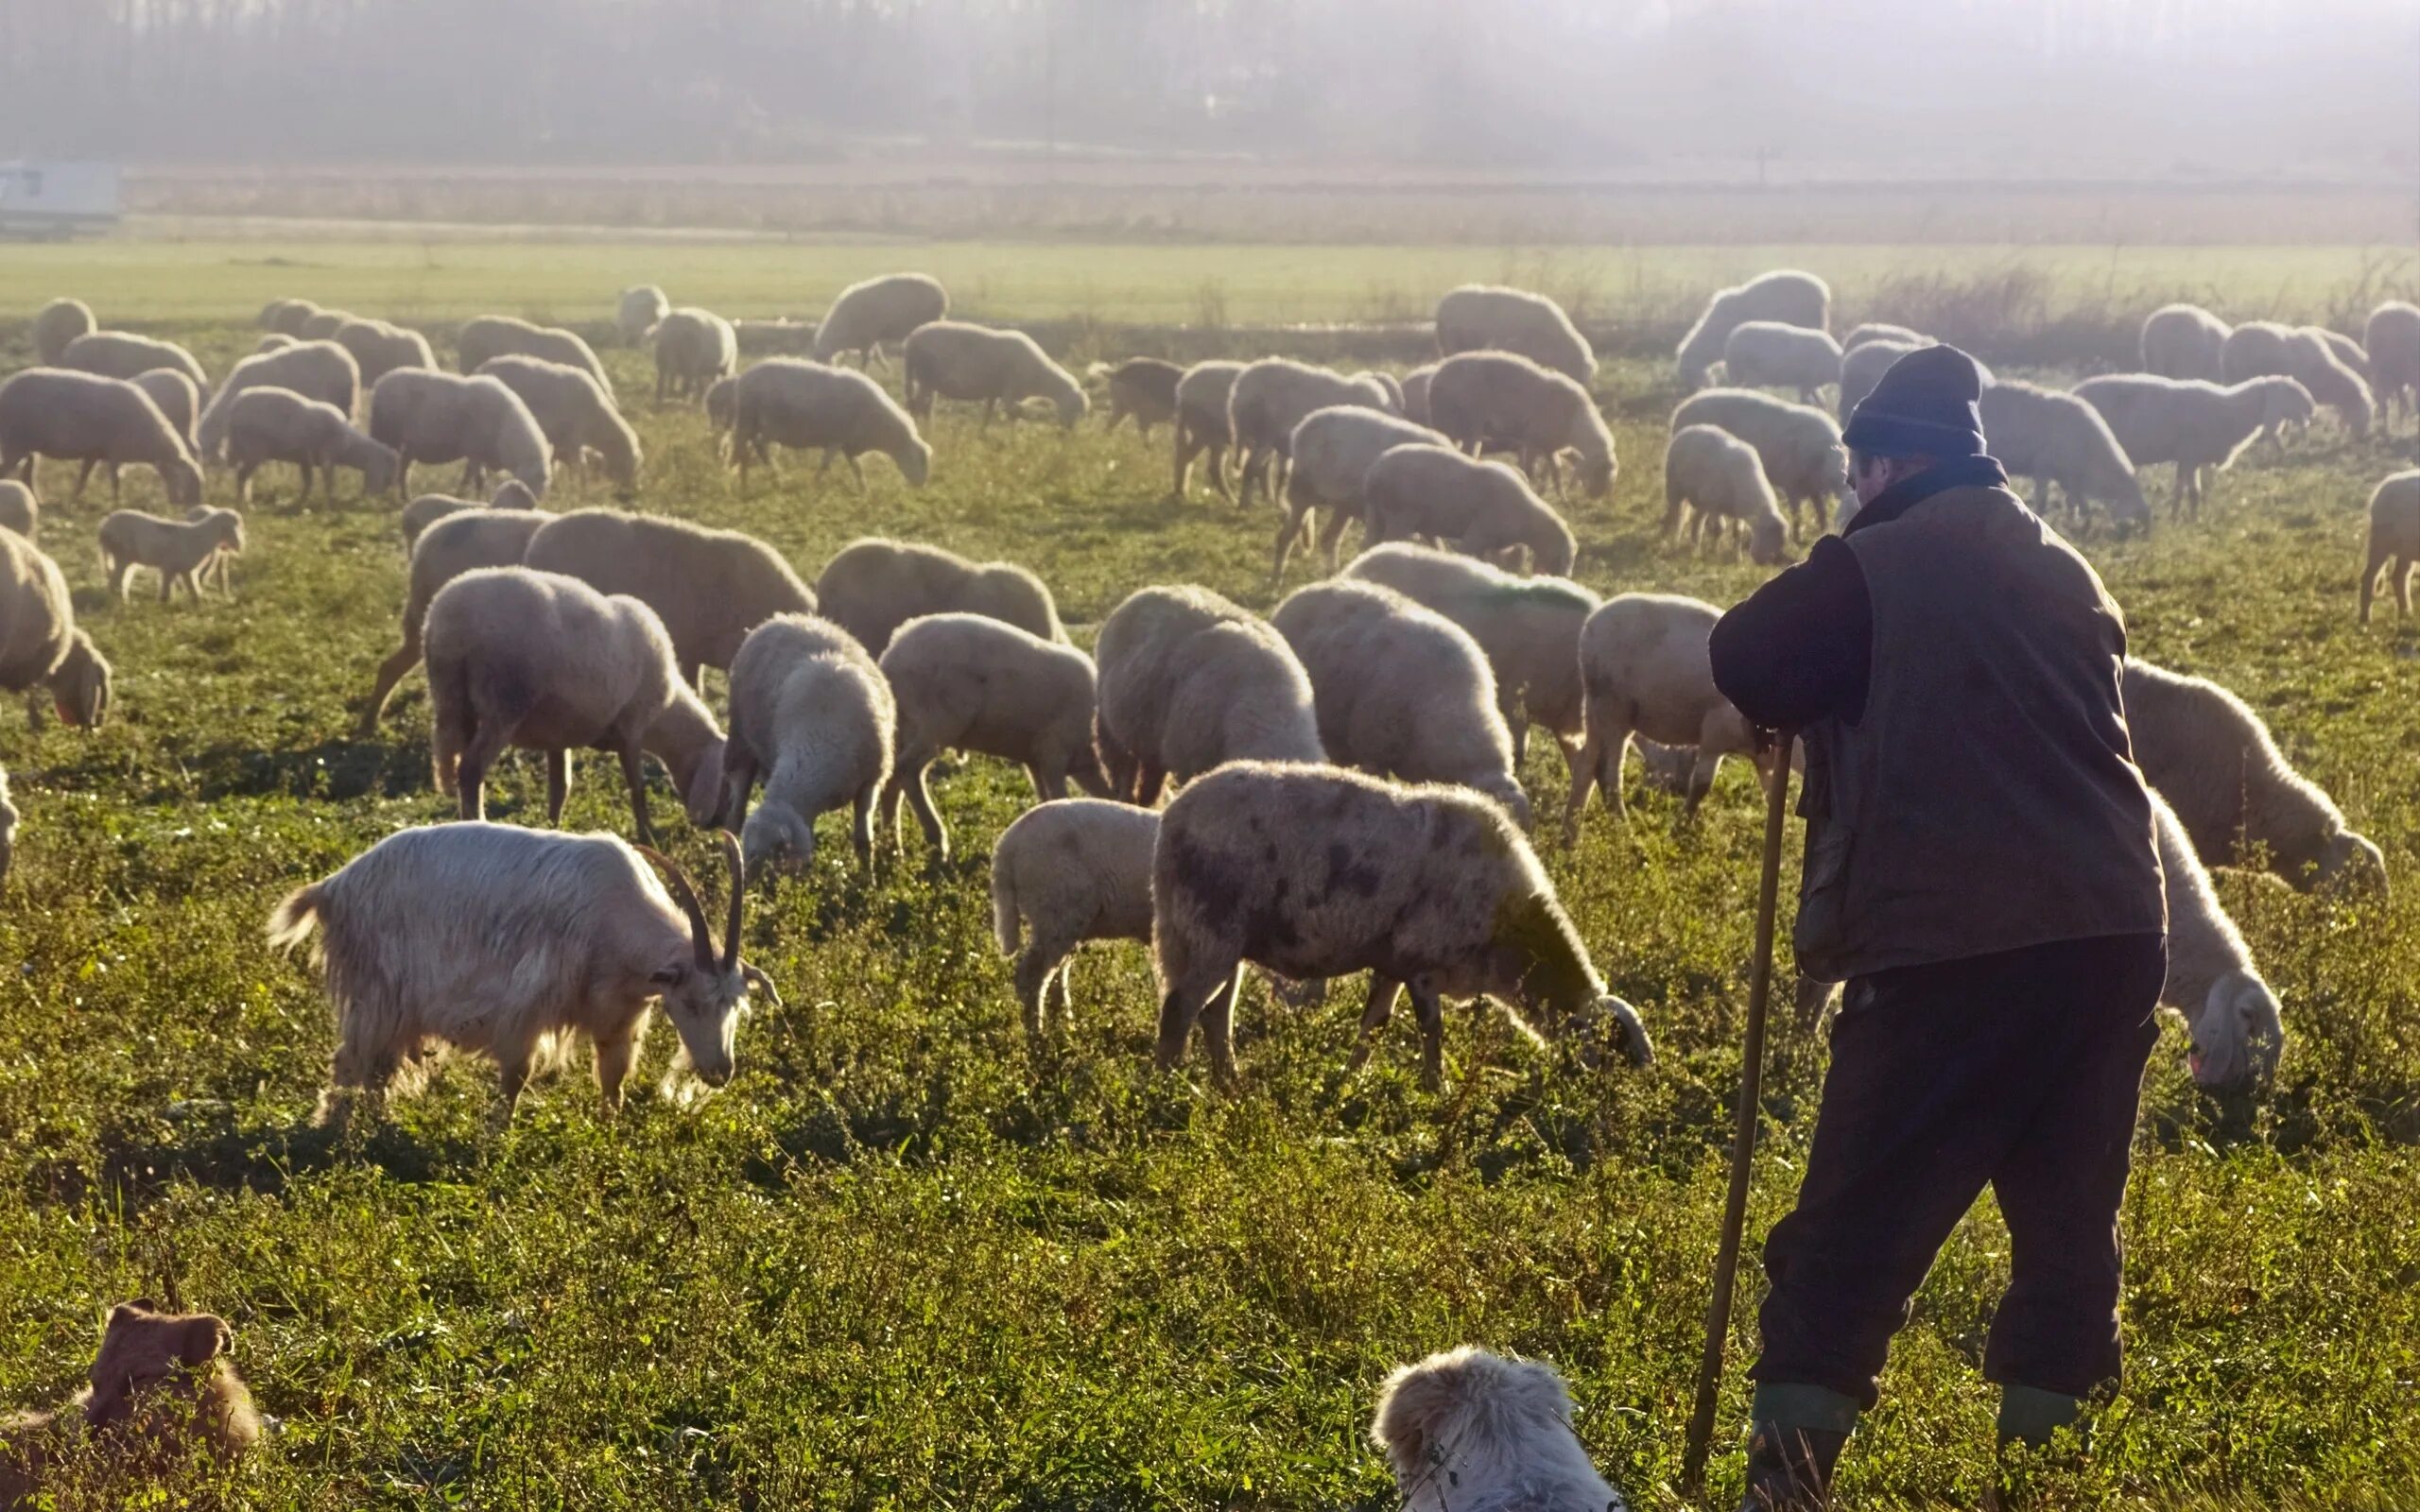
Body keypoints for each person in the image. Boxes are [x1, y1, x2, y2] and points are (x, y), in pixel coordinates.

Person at [1706, 344, 2169, 1509]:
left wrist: (1840, 567)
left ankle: (1785, 1486)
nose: (1851, 492)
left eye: (1856, 472)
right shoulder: (2064, 565)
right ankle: (2042, 1483)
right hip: (2112, 933)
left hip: (1958, 940)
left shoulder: (1881, 559)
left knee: (1854, 1222)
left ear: (1883, 464)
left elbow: (1745, 656)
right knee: (2068, 1227)